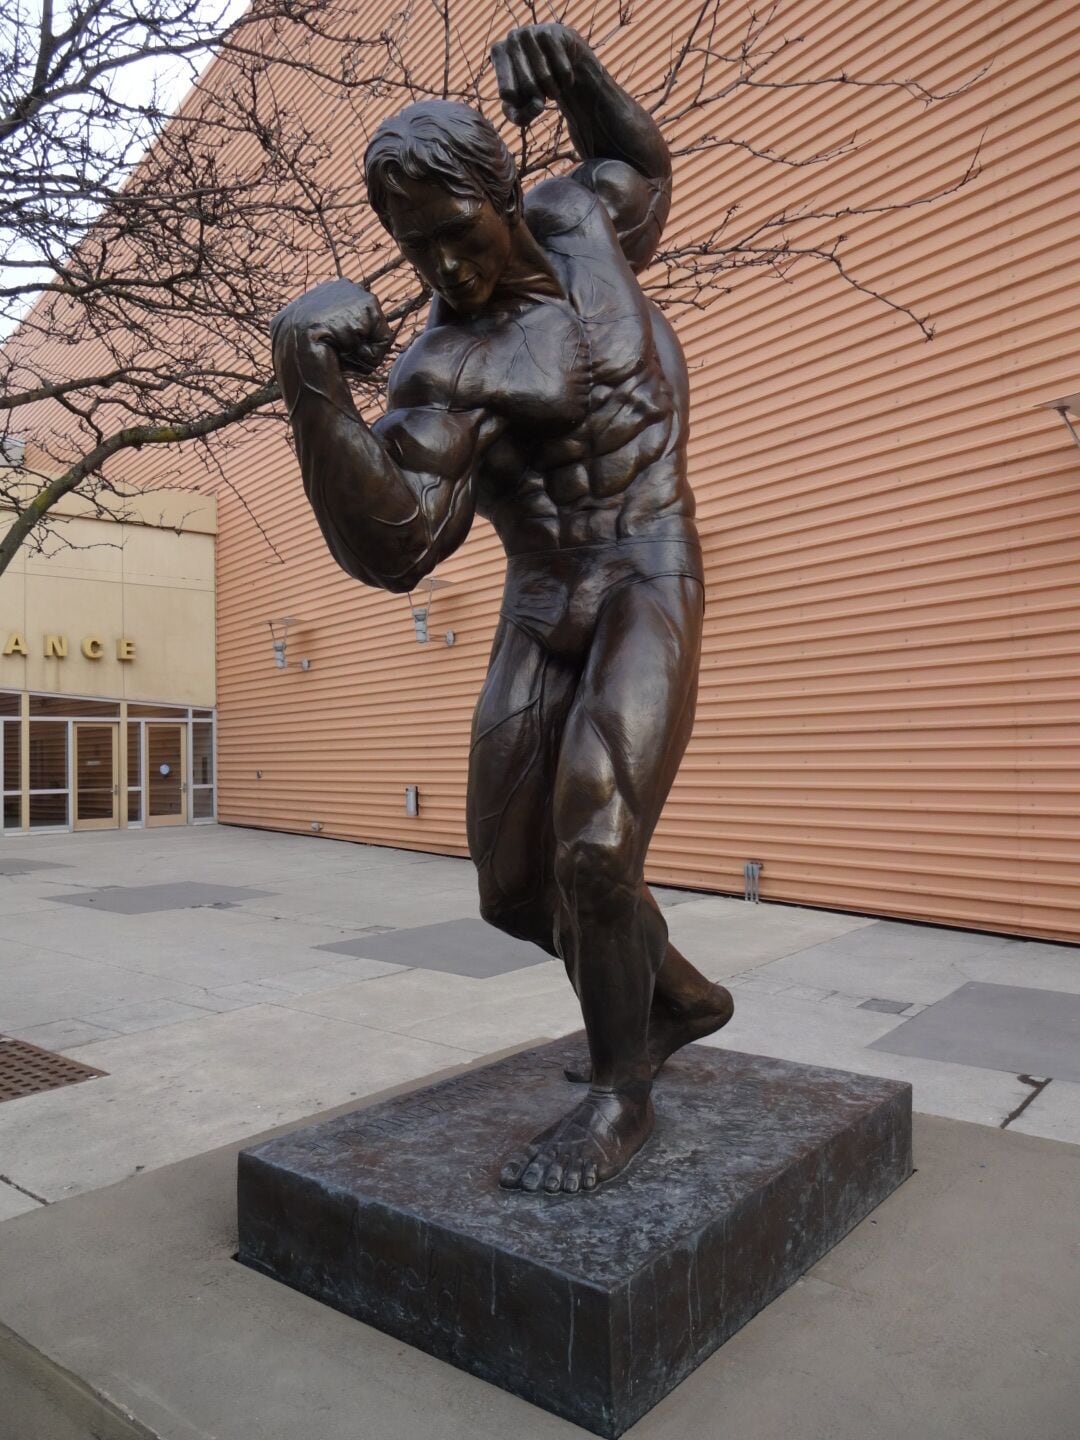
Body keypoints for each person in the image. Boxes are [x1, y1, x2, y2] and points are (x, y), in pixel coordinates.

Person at [271, 23, 734, 1195]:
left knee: (593, 844)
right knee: (515, 889)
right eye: (414, 252)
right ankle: (676, 997)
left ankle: (620, 1091)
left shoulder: (588, 225)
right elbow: (397, 546)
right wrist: (311, 386)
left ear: (504, 195)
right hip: (541, 600)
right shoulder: (444, 367)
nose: (444, 272)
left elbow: (644, 165)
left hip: (647, 568)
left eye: (456, 235)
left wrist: (577, 69)